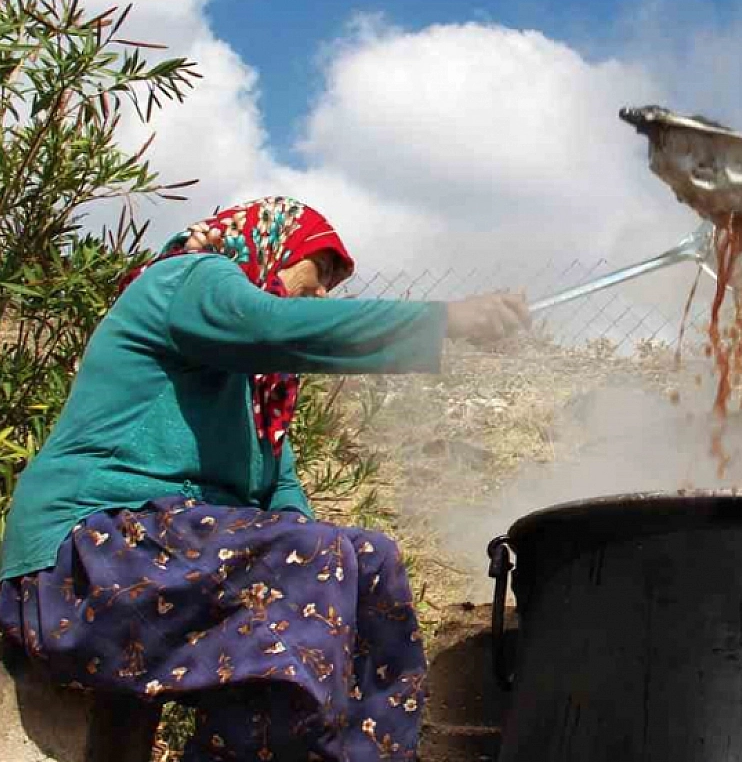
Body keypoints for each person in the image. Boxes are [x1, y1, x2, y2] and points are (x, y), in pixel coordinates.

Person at [0, 197, 528, 761]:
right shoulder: (189, 278)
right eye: (317, 270)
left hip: (165, 563)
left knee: (371, 561)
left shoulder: (259, 407)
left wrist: (340, 583)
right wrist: (441, 320)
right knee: (316, 558)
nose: (323, 293)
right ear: (270, 247)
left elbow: (289, 513)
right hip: (79, 564)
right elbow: (270, 326)